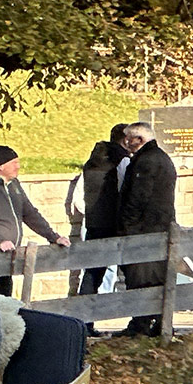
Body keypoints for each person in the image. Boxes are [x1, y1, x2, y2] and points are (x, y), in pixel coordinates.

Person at [0, 145, 70, 295]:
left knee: (6, 298)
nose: (18, 167)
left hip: (8, 255)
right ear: (0, 166)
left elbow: (30, 213)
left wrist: (54, 237)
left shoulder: (14, 184)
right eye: (14, 163)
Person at [117, 123, 177, 336]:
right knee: (157, 278)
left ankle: (141, 324)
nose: (126, 144)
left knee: (141, 278)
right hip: (160, 226)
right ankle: (160, 322)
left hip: (144, 229)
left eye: (129, 139)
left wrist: (127, 225)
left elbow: (138, 196)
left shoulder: (146, 162)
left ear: (139, 140)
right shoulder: (162, 158)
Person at [77, 125, 129, 295]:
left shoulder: (94, 160)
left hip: (94, 221)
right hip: (115, 222)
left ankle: (84, 318)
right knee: (134, 270)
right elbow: (124, 189)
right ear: (125, 140)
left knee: (92, 273)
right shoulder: (121, 160)